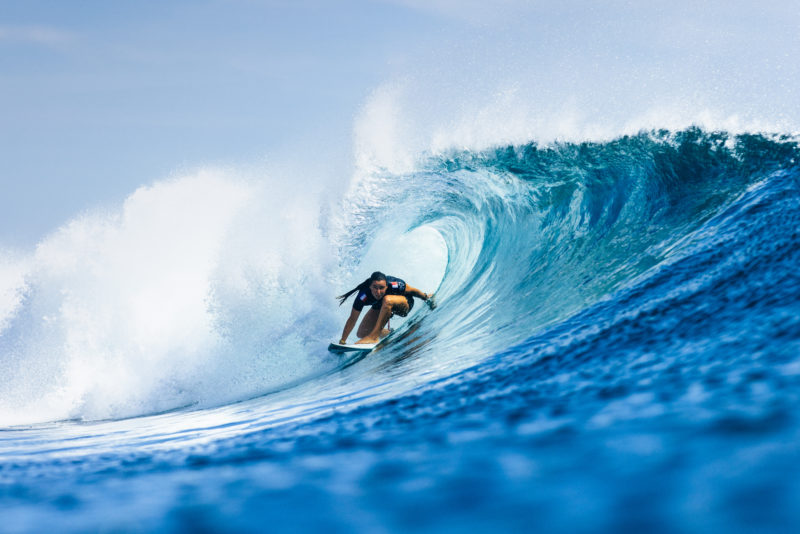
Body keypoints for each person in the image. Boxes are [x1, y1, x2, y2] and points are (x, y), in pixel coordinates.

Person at [337, 271, 433, 345]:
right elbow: (352, 319)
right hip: (382, 305)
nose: (378, 292)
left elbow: (413, 291)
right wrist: (342, 341)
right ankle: (389, 333)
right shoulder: (363, 296)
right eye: (375, 287)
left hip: (405, 303)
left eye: (381, 288)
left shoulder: (394, 284)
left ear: (387, 286)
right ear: (370, 286)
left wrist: (426, 298)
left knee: (387, 300)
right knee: (362, 333)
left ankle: (373, 336)